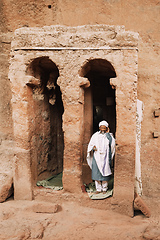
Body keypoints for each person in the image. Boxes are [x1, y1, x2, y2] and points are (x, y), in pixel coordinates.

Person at [87, 120, 115, 194]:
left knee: (105, 173)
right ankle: (98, 189)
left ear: (106, 128)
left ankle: (104, 189)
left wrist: (108, 133)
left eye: (104, 127)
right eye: (101, 127)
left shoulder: (109, 136)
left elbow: (112, 145)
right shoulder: (95, 135)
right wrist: (93, 148)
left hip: (105, 157)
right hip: (97, 157)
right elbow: (91, 144)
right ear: (99, 127)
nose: (102, 129)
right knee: (96, 173)